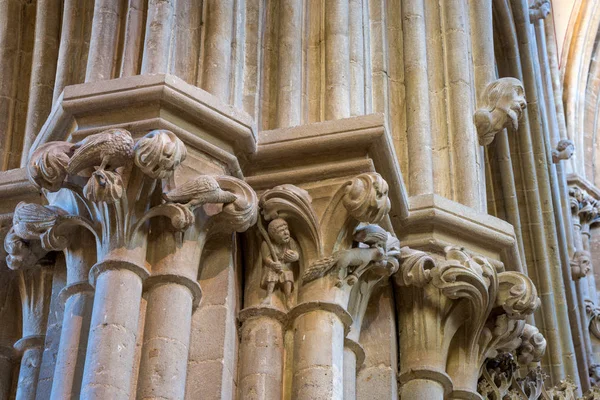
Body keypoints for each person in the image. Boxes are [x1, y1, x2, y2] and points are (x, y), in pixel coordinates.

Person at [261, 218, 299, 309]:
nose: (286, 233)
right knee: (272, 273)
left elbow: (297, 252)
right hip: (274, 267)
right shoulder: (266, 243)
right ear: (273, 235)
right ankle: (268, 296)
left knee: (288, 275)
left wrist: (295, 256)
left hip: (285, 266)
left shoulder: (290, 241)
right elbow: (266, 257)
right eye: (281, 231)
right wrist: (272, 264)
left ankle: (288, 299)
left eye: (286, 229)